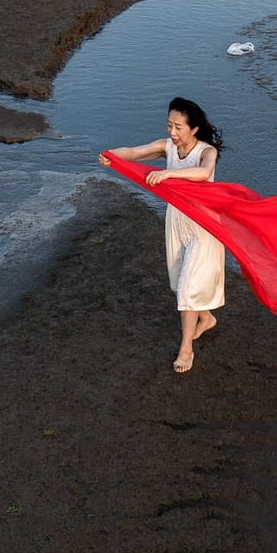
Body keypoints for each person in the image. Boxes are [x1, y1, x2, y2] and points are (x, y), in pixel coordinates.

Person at [100, 98, 224, 373]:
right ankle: (206, 318)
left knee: (189, 285)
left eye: (178, 127)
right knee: (182, 282)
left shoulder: (207, 151)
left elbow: (204, 173)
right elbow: (133, 152)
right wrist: (111, 155)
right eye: (169, 125)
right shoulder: (166, 147)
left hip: (203, 225)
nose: (172, 132)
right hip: (178, 223)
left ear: (194, 129)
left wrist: (167, 174)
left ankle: (186, 349)